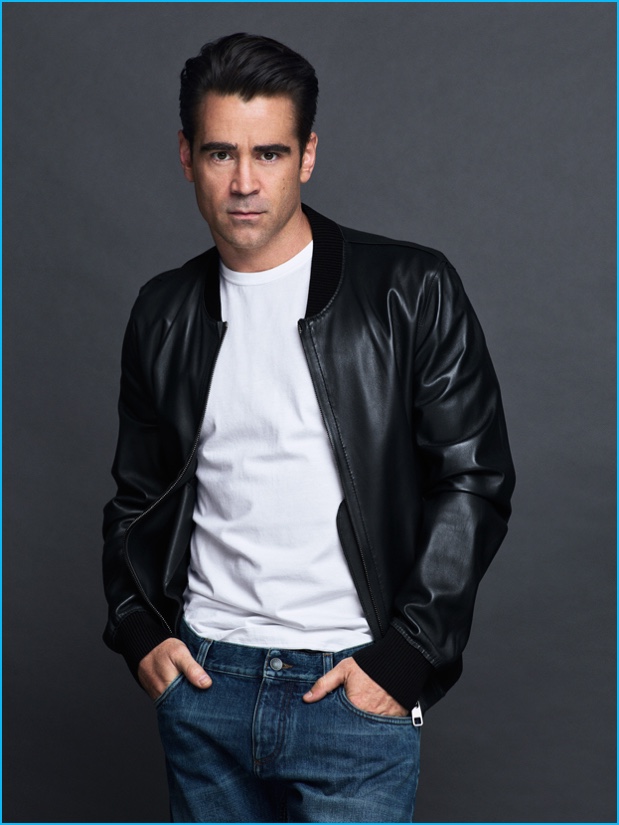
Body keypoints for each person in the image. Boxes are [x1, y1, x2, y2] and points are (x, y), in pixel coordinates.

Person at [102, 32, 515, 823]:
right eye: (221, 153)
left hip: (350, 689)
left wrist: (406, 656)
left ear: (308, 156)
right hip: (205, 685)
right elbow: (136, 494)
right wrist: (137, 628)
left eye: (270, 153)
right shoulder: (163, 311)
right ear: (186, 157)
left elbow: (474, 480)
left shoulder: (409, 288)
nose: (244, 182)